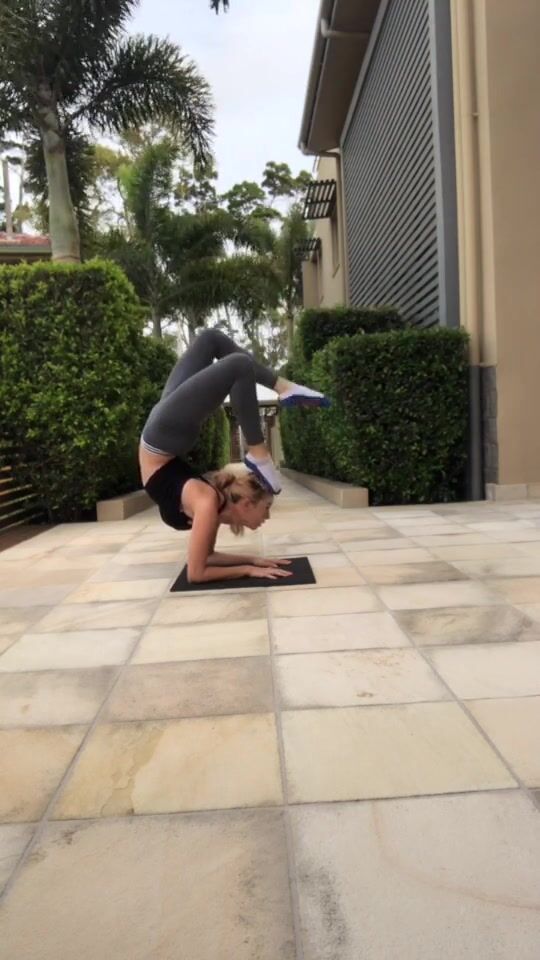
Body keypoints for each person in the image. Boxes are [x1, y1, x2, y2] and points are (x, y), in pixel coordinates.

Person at [139, 328, 329, 584]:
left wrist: (250, 562)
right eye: (267, 509)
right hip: (164, 436)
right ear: (246, 504)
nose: (267, 517)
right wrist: (250, 566)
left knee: (234, 361)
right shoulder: (210, 503)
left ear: (245, 504)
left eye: (268, 509)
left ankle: (265, 438)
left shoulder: (209, 504)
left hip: (164, 436)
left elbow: (202, 565)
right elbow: (201, 568)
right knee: (214, 343)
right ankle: (275, 411)